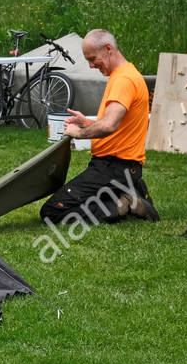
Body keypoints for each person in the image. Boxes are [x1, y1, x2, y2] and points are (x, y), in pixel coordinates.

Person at [40, 29, 158, 224]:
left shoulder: (124, 80)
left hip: (113, 168)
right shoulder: (124, 74)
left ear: (108, 48)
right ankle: (132, 191)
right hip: (123, 168)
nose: (92, 65)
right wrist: (88, 123)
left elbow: (110, 125)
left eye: (93, 59)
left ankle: (120, 204)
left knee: (52, 211)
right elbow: (119, 125)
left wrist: (79, 133)